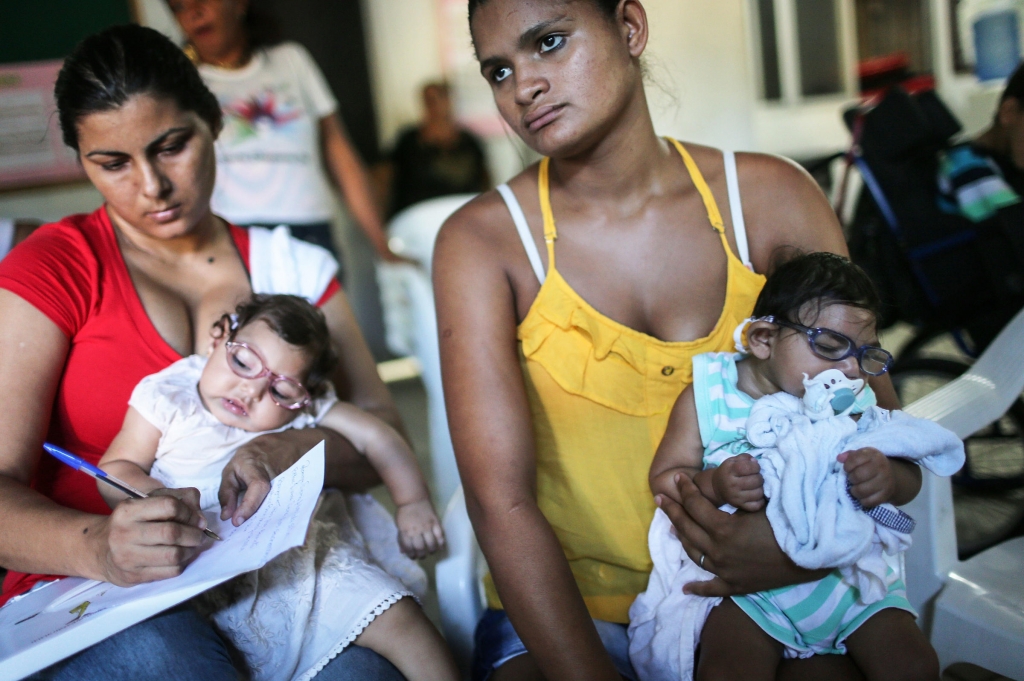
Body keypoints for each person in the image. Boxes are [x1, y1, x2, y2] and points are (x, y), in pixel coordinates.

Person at [432, 1, 902, 680]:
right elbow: (499, 503)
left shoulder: (767, 199)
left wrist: (798, 553)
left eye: (550, 42)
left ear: (629, 27)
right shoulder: (481, 242)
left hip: (780, 587)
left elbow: (876, 414)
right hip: (575, 612)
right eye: (498, 69)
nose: (522, 86)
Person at [0, 25, 405, 681]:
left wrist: (288, 449)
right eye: (113, 163)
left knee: (368, 673)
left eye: (172, 146)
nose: (152, 186)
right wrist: (101, 545)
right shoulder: (56, 266)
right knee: (171, 661)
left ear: (214, 121)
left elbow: (384, 433)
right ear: (81, 159)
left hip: (279, 579)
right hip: (93, 592)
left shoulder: (292, 269)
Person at [97, 294, 456, 681]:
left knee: (400, 618)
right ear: (218, 339)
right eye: (242, 362)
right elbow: (117, 467)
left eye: (280, 390)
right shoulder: (171, 395)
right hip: (201, 569)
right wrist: (151, 495)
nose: (248, 391)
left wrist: (413, 502)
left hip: (306, 566)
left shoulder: (300, 410)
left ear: (303, 398)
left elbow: (378, 438)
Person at [635, 252, 951, 680]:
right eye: (830, 346)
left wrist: (885, 477)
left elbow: (909, 478)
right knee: (727, 671)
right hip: (748, 595)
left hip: (848, 577)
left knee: (914, 665)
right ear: (764, 339)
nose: (852, 368)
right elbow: (666, 478)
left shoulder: (856, 399)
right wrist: (717, 485)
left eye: (865, 353)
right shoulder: (711, 395)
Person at [166, 0, 403, 262]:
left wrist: (382, 244)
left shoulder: (291, 60)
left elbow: (340, 153)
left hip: (310, 234)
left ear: (239, 4)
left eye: (202, 0)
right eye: (179, 7)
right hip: (232, 240)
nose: (194, 13)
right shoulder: (179, 83)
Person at [385, 82, 490, 217]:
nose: (434, 106)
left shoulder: (470, 141)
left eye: (439, 98)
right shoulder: (408, 141)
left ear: (449, 101)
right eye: (429, 100)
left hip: (463, 214)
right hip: (418, 215)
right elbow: (386, 179)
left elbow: (484, 179)